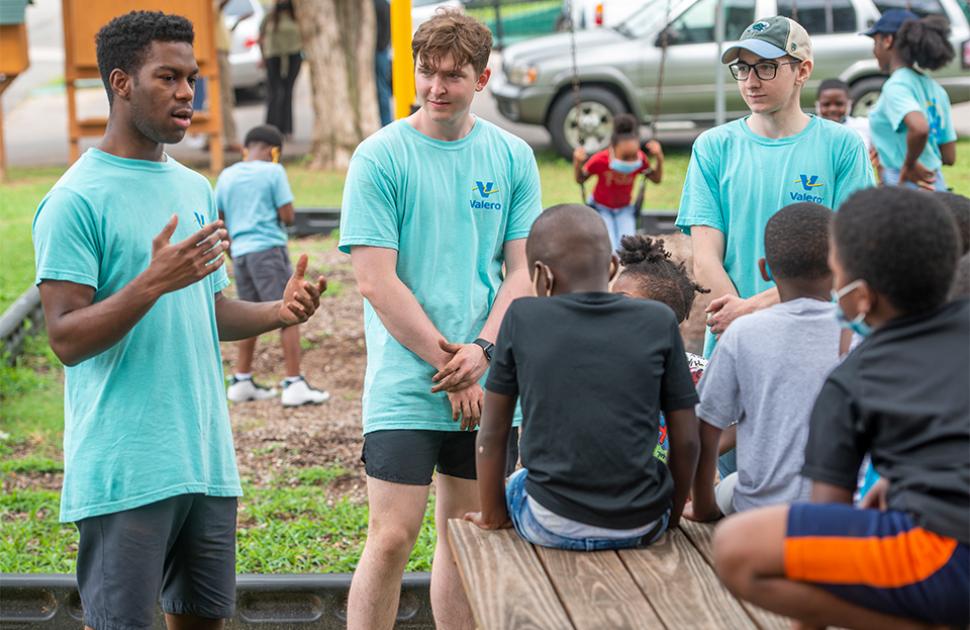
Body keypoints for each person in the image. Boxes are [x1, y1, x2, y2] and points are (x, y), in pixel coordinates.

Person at [31, 11, 327, 630]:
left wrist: (278, 311)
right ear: (121, 82)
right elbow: (65, 338)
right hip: (127, 468)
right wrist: (150, 283)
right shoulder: (73, 200)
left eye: (192, 78)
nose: (188, 92)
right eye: (168, 77)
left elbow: (210, 310)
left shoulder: (195, 189)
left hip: (205, 461)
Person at [338, 10, 542, 630]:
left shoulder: (512, 157)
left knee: (466, 537)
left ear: (482, 77)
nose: (436, 88)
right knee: (392, 535)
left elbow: (522, 273)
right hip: (409, 383)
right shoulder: (380, 157)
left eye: (452, 76)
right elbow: (375, 279)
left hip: (488, 379)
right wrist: (450, 366)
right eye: (427, 72)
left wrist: (481, 353)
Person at [711, 187, 969, 629]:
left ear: (862, 298)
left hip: (947, 559)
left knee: (736, 547)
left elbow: (825, 528)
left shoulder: (852, 378)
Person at [676, 16, 873, 477]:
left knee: (813, 475)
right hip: (729, 339)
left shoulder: (842, 147)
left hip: (817, 342)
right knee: (728, 478)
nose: (751, 80)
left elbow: (848, 254)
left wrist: (752, 310)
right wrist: (739, 315)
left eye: (765, 67)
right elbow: (704, 254)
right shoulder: (713, 147)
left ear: (802, 70)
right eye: (742, 69)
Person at [464, 204, 700, 551]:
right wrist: (671, 518)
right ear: (613, 267)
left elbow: (493, 432)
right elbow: (687, 439)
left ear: (542, 276)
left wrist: (493, 514)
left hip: (549, 522)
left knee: (519, 480)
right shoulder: (657, 321)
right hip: (642, 522)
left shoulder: (522, 318)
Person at [684, 203, 840, 521]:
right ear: (841, 265)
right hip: (843, 506)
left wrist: (703, 507)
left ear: (765, 269)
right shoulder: (860, 332)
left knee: (729, 488)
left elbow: (707, 430)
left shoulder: (743, 333)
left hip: (761, 510)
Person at [217, 124, 329, 406]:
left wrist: (234, 249)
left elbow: (220, 219)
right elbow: (288, 215)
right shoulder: (273, 171)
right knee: (289, 310)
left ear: (247, 147)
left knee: (248, 313)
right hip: (268, 250)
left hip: (240, 254)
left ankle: (241, 380)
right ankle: (294, 382)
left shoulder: (226, 175)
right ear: (271, 150)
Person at [611, 234, 709, 463]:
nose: (609, 309)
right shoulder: (598, 363)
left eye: (622, 301)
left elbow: (742, 417)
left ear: (661, 317)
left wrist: (687, 463)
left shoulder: (697, 372)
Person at [866, 10, 957, 191]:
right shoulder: (935, 89)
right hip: (936, 184)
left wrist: (909, 165)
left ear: (887, 41)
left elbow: (919, 128)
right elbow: (949, 156)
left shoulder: (896, 86)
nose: (874, 50)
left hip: (906, 186)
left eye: (875, 42)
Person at [573, 113, 663, 250]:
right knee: (609, 246)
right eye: (626, 157)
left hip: (624, 209)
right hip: (601, 208)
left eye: (634, 155)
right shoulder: (600, 160)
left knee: (628, 247)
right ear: (612, 148)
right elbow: (580, 179)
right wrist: (577, 163)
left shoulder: (641, 160)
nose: (631, 161)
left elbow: (656, 179)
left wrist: (659, 158)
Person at [260, 0, 302, 138]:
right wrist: (263, 56)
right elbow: (261, 36)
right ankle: (271, 129)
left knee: (287, 92)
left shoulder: (296, 14)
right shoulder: (270, 16)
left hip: (293, 56)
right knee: (275, 93)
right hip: (274, 57)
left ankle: (287, 130)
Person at [215, 0, 245, 152]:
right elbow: (217, 9)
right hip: (217, 53)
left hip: (220, 52)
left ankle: (215, 139)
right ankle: (230, 139)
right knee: (225, 98)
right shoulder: (208, 6)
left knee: (218, 98)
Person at [815, 78, 874, 154]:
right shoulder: (811, 131)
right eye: (826, 104)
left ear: (849, 103)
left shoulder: (864, 126)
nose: (832, 109)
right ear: (817, 104)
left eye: (839, 104)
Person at [374, 0, 393, 127]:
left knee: (382, 89)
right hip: (379, 51)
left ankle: (386, 123)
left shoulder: (380, 4)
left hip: (379, 52)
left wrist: (380, 46)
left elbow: (387, 29)